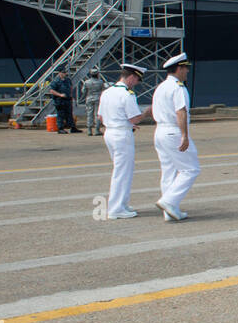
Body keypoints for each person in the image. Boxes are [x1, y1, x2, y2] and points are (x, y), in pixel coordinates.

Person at [96, 64, 149, 219]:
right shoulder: (127, 94)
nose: (137, 83)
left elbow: (100, 117)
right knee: (122, 172)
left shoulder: (107, 92)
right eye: (137, 80)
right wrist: (146, 113)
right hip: (122, 135)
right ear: (132, 77)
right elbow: (135, 118)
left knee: (122, 170)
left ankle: (122, 203)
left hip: (110, 132)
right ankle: (115, 209)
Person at [152, 53, 200, 221]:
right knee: (191, 169)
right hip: (173, 131)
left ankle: (170, 212)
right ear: (179, 68)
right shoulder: (178, 88)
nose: (187, 71)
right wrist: (184, 136)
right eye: (186, 68)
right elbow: (181, 111)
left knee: (169, 171)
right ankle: (169, 201)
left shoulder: (161, 87)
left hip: (159, 131)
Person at [48, 69, 80, 133]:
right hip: (60, 100)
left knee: (69, 114)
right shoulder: (56, 81)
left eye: (64, 73)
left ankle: (72, 127)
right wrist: (60, 95)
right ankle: (60, 128)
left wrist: (70, 95)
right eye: (62, 73)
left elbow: (70, 88)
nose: (64, 74)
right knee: (61, 114)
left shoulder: (67, 80)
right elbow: (51, 91)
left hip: (68, 99)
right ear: (59, 73)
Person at [81, 68, 106, 136]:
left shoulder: (87, 82)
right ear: (97, 74)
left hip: (89, 98)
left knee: (89, 114)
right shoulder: (100, 82)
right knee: (97, 114)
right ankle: (97, 130)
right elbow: (103, 90)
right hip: (98, 98)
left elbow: (83, 91)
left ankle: (89, 130)